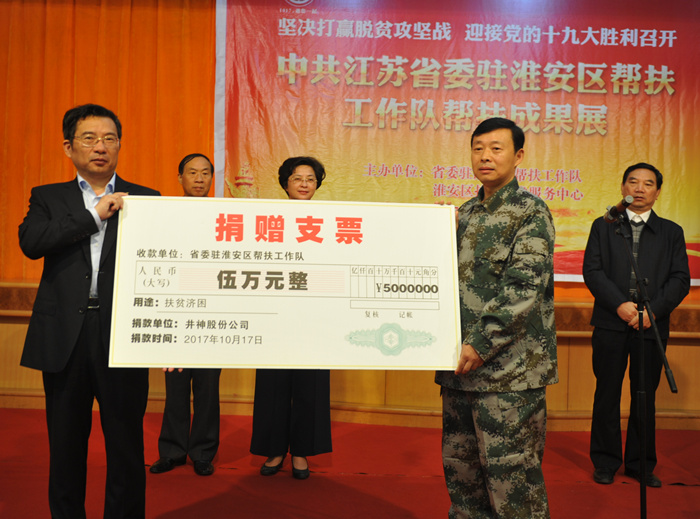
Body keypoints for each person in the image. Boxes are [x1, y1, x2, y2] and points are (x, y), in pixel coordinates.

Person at [18, 104, 160, 519]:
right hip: (65, 336)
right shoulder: (48, 197)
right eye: (90, 138)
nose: (101, 147)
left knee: (126, 445)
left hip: (123, 335)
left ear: (119, 145)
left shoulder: (147, 199)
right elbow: (32, 243)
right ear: (69, 147)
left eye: (109, 139)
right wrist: (94, 215)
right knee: (65, 446)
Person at [435, 117, 558, 518]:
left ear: (518, 156)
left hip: (509, 375)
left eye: (496, 148)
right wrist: (434, 235)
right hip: (459, 371)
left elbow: (523, 288)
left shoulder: (530, 212)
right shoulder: (464, 214)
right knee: (462, 477)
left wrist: (480, 342)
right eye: (478, 148)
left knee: (513, 483)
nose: (485, 156)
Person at [583, 163, 690, 487]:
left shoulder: (671, 232)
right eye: (633, 181)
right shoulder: (604, 226)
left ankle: (640, 464)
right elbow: (592, 271)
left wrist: (652, 312)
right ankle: (605, 462)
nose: (640, 188)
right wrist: (619, 305)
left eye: (648, 183)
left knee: (645, 397)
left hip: (651, 326)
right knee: (607, 393)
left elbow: (680, 279)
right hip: (610, 322)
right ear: (623, 188)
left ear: (658, 192)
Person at [250, 156, 333, 480]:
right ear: (285, 183)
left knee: (311, 385)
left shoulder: (330, 221)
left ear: (317, 185)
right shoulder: (268, 220)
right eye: (297, 178)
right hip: (275, 314)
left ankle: (301, 452)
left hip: (315, 316)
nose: (303, 184)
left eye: (310, 179)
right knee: (273, 384)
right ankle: (274, 450)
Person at [149, 154, 221, 477]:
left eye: (205, 173)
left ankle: (203, 452)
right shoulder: (165, 215)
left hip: (214, 315)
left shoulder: (225, 217)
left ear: (212, 178)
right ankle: (172, 451)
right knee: (175, 387)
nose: (199, 178)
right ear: (180, 177)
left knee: (208, 388)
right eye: (192, 172)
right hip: (176, 312)